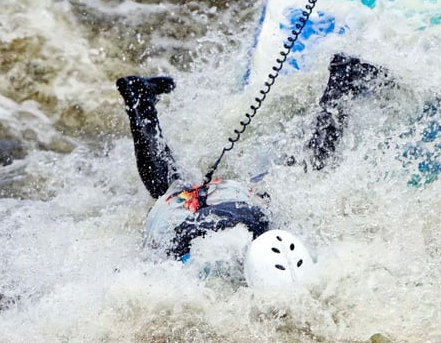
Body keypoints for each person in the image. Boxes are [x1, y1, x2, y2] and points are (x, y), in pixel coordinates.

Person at [116, 52, 391, 261]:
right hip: (181, 217)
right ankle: (139, 100)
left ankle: (342, 83)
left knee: (303, 170)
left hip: (227, 212)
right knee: (167, 183)